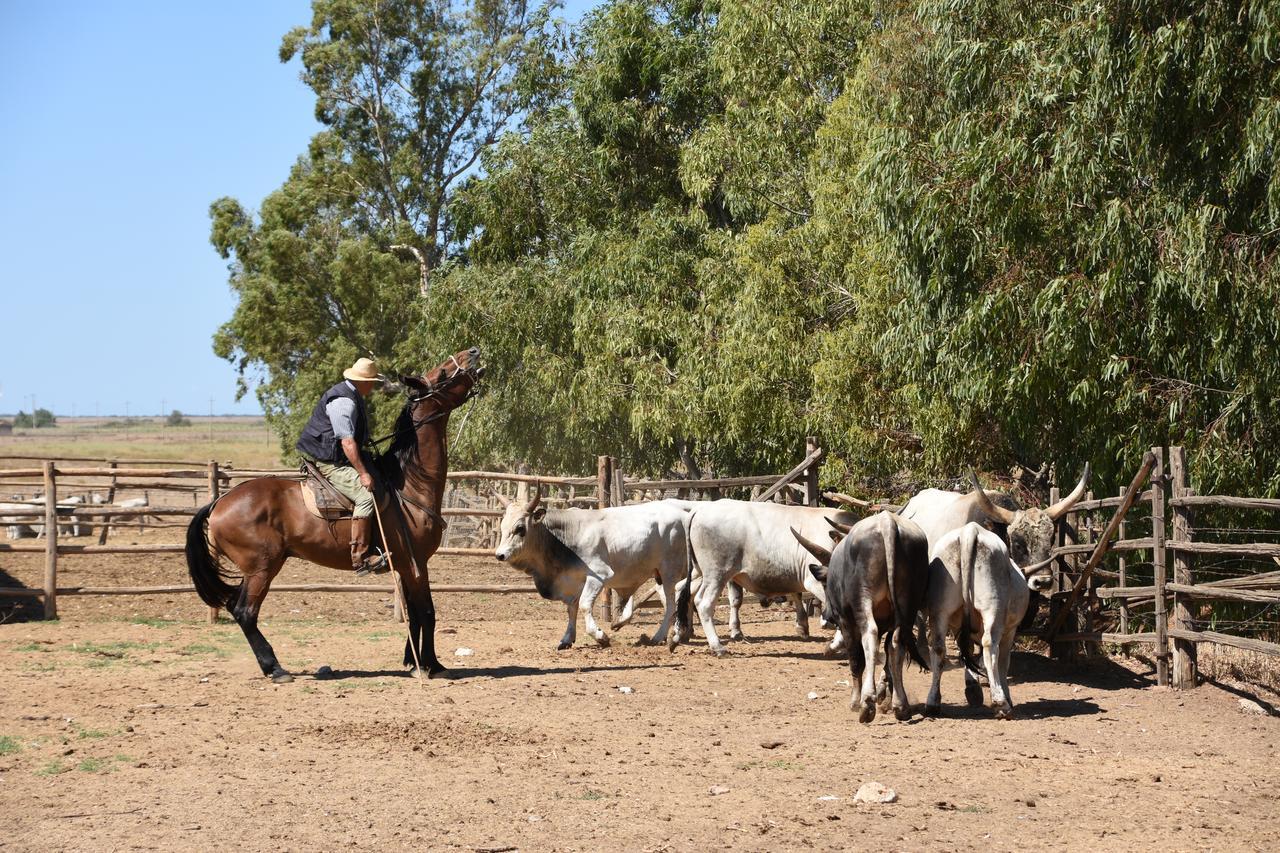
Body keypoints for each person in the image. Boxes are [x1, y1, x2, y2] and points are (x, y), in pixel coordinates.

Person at [296, 357, 388, 575]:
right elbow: (347, 442)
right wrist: (363, 474)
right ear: (363, 382)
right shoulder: (344, 402)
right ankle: (361, 557)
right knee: (366, 496)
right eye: (372, 382)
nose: (373, 387)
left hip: (336, 457)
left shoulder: (352, 394)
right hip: (329, 462)